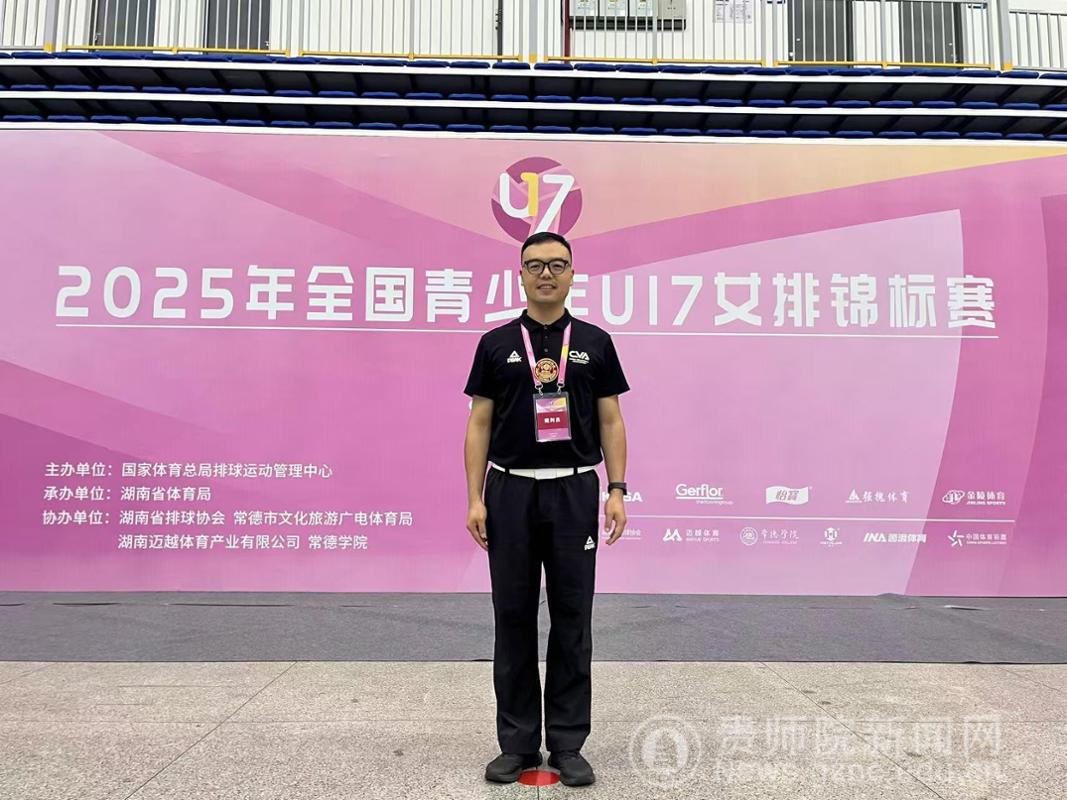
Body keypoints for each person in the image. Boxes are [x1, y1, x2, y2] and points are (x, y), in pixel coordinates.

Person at [463, 231, 630, 787]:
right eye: (535, 265)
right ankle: (516, 743)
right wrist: (475, 497)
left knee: (572, 619)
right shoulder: (495, 344)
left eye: (557, 265)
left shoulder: (595, 342)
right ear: (520, 275)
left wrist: (617, 488)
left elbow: (610, 419)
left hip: (574, 492)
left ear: (572, 274)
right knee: (512, 617)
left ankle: (567, 742)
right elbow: (479, 423)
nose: (546, 274)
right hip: (509, 492)